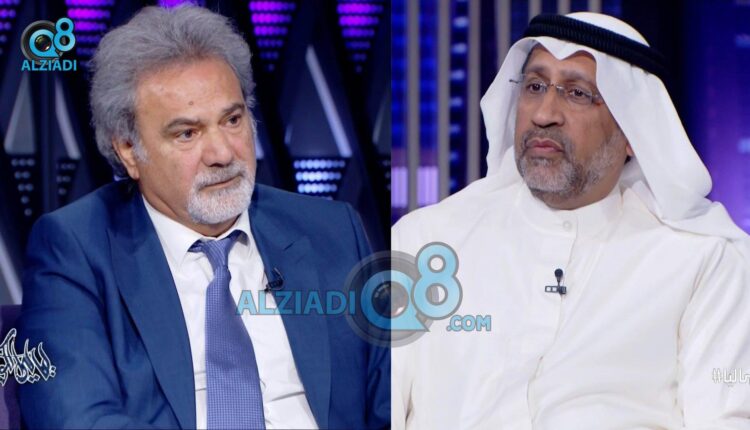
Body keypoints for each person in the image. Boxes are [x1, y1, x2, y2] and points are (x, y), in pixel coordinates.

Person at [17, 5, 389, 429]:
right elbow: (75, 417)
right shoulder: (74, 250)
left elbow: (394, 398)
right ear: (128, 150)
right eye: (187, 133)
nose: (223, 153)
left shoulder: (332, 230)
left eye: (232, 120)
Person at [392, 12, 750, 429]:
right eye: (534, 86)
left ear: (633, 131)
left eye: (577, 93)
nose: (544, 114)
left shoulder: (703, 259)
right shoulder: (426, 240)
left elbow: (727, 415)